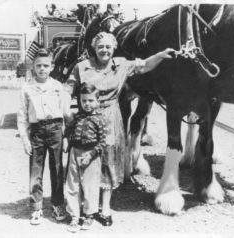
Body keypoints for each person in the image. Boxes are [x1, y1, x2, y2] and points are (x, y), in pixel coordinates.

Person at [64, 32, 174, 226]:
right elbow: (67, 89)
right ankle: (84, 206)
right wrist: (67, 112)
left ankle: (105, 208)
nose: (104, 50)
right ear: (94, 48)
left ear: (114, 48)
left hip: (111, 120)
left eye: (108, 47)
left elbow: (145, 65)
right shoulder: (82, 67)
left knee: (108, 163)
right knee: (84, 161)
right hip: (86, 120)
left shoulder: (121, 64)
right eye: (100, 47)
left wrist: (161, 55)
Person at [17, 48, 72, 225]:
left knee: (57, 170)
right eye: (39, 65)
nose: (42, 69)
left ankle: (57, 205)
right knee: (36, 170)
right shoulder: (26, 88)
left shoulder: (57, 86)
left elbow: (64, 113)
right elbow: (22, 116)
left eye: (46, 65)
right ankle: (36, 208)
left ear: (52, 67)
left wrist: (65, 137)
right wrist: (25, 140)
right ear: (33, 66)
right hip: (37, 131)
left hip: (56, 128)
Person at [64, 83, 107, 233]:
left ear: (97, 101)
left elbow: (102, 142)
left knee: (90, 186)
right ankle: (74, 216)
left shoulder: (99, 119)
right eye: (84, 101)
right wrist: (66, 142)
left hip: (91, 155)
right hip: (74, 153)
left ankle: (89, 215)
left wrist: (90, 155)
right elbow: (70, 131)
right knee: (72, 184)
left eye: (90, 101)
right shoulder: (78, 116)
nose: (87, 104)